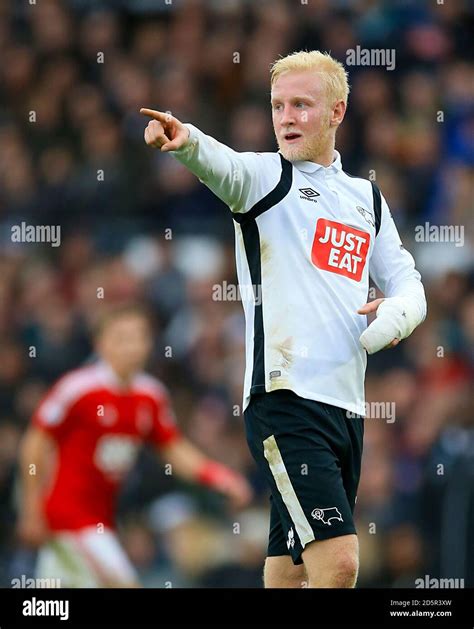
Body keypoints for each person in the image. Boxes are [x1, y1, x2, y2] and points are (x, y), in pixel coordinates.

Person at [140, 50, 427, 588]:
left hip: (346, 408)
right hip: (286, 402)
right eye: (277, 106)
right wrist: (187, 142)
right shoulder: (266, 179)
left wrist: (397, 314)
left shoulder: (366, 198)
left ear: (338, 112)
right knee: (339, 564)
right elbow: (222, 163)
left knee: (289, 572)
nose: (286, 117)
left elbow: (409, 283)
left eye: (301, 105)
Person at [18, 305, 251, 587]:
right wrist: (32, 508)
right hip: (70, 517)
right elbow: (35, 443)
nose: (131, 346)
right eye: (121, 338)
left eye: (138, 337)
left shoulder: (150, 395)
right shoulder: (78, 389)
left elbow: (174, 449)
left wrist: (219, 477)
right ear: (100, 343)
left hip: (102, 517)